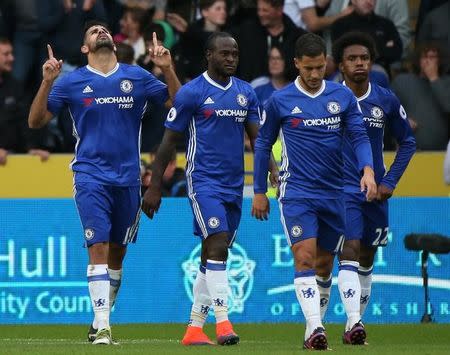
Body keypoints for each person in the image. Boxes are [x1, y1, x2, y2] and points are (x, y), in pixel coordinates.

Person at [28, 20, 180, 345]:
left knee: (117, 255)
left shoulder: (137, 77)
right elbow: (36, 121)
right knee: (97, 247)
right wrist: (46, 83)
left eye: (104, 30)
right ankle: (103, 327)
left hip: (128, 179)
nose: (101, 32)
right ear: (84, 48)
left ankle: (100, 318)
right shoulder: (71, 82)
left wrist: (167, 68)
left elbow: (178, 104)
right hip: (90, 176)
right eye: (93, 31)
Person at [141, 31, 277, 346]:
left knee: (213, 253)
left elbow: (259, 139)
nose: (230, 58)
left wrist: (273, 170)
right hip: (202, 181)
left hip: (234, 184)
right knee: (217, 245)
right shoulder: (191, 93)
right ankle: (224, 323)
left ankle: (194, 328)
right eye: (224, 53)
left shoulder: (245, 93)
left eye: (235, 54)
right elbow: (168, 143)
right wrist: (155, 186)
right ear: (209, 55)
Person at [251, 33, 377, 350]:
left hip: (335, 193)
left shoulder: (341, 97)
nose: (314, 74)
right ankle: (315, 327)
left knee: (325, 264)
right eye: (308, 68)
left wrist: (368, 169)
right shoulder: (279, 100)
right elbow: (263, 144)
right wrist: (259, 190)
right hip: (297, 193)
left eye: (320, 67)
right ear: (297, 64)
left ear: (326, 64)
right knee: (304, 257)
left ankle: (337, 325)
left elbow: (360, 135)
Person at [314, 31, 416, 344]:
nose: (360, 63)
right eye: (352, 59)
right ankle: (344, 323)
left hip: (375, 192)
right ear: (340, 65)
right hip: (340, 190)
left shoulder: (384, 98)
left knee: (367, 258)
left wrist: (389, 181)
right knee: (350, 250)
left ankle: (350, 325)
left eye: (364, 58)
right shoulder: (327, 97)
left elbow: (408, 141)